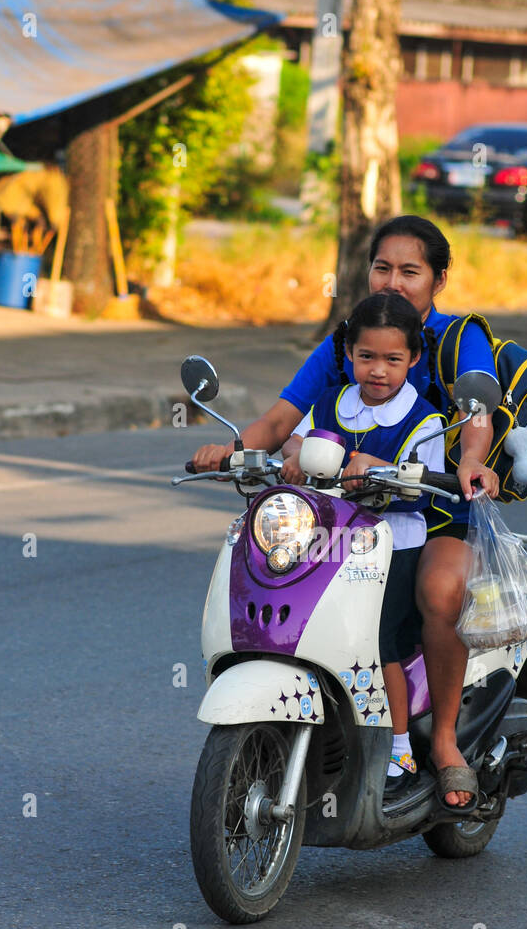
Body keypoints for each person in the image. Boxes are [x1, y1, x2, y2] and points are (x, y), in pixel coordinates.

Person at [192, 216, 501, 811]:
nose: (393, 281)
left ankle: (439, 743)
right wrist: (235, 451)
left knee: (438, 594)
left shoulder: (457, 338)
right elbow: (284, 418)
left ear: (438, 278)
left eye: (410, 271)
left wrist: (469, 463)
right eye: (382, 267)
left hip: (429, 508)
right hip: (349, 515)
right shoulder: (352, 338)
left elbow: (475, 415)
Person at [286, 292, 445, 798]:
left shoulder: (423, 419)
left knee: (378, 641)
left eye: (393, 359)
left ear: (413, 360)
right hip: (329, 538)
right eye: (367, 357)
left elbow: (422, 482)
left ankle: (399, 747)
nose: (379, 371)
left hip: (392, 544)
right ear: (349, 353)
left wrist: (368, 465)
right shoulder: (332, 401)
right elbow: (297, 438)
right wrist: (294, 454)